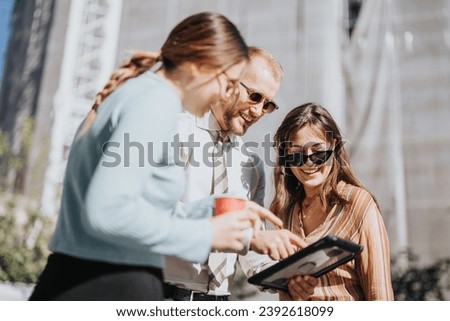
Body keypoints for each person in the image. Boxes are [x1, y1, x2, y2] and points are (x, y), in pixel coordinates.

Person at [29, 12, 283, 301]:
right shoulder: (156, 102)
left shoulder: (141, 94)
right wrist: (205, 234)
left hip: (93, 280)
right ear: (201, 65)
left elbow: (135, 207)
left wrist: (228, 221)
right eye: (229, 83)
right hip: (104, 283)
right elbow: (107, 212)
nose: (224, 94)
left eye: (268, 104)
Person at [163, 47, 304, 301]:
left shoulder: (252, 165)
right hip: (166, 294)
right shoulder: (176, 132)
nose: (258, 111)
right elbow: (151, 216)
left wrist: (286, 275)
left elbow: (252, 253)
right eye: (254, 96)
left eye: (268, 104)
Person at [271, 102, 394, 300]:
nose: (308, 162)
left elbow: (379, 293)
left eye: (318, 152)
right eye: (296, 154)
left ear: (334, 148)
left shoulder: (357, 203)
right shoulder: (286, 212)